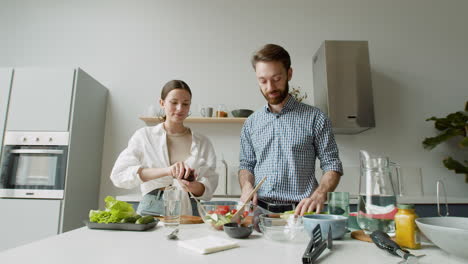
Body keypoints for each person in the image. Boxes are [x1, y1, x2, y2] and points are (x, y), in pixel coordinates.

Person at [238, 44, 343, 215]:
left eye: (277, 78)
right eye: (262, 80)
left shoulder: (316, 118)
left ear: (289, 73)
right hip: (259, 213)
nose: (270, 87)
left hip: (302, 213)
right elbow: (246, 165)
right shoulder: (251, 123)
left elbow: (332, 164)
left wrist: (321, 193)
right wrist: (247, 186)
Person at [110, 80, 218, 216]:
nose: (180, 108)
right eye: (174, 102)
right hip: (152, 208)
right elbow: (119, 175)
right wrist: (167, 171)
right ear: (162, 103)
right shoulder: (144, 136)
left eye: (185, 104)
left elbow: (209, 185)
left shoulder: (203, 142)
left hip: (191, 210)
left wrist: (191, 186)